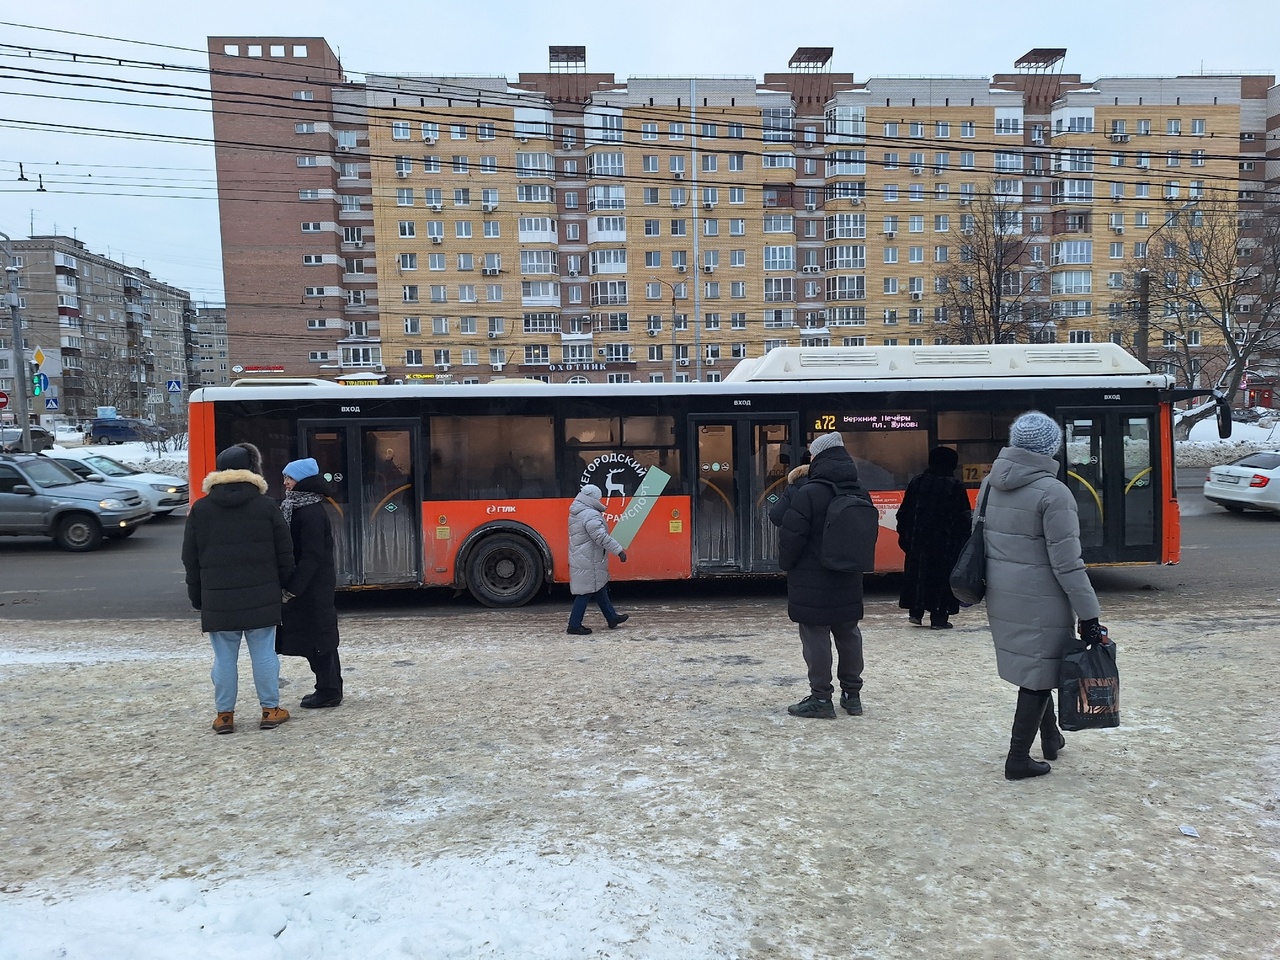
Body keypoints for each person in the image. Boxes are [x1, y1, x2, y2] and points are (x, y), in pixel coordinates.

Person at [981, 411, 1107, 780]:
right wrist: (1090, 615)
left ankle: (1051, 738)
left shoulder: (990, 484)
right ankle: (1017, 758)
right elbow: (1068, 564)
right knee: (1037, 675)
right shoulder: (1054, 493)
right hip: (1042, 599)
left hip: (1002, 594)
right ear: (1051, 448)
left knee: (1040, 666)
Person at [182, 442, 295, 735]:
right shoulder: (267, 506)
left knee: (224, 658)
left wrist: (198, 596)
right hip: (262, 596)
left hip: (218, 599)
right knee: (264, 654)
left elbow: (190, 558)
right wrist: (285, 586)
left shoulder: (201, 509)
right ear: (251, 471)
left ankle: (224, 716)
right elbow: (285, 553)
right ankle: (270, 710)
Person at [768, 431, 871, 719]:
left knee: (816, 636)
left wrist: (788, 565)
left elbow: (791, 534)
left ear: (819, 457)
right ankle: (853, 696)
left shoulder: (808, 492)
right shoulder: (859, 490)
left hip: (812, 578)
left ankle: (821, 699)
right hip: (849, 575)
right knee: (848, 632)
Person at [277, 457, 344, 709]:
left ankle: (328, 691)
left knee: (319, 639)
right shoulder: (301, 506)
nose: (285, 482)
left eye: (290, 478)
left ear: (303, 480)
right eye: (285, 477)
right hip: (312, 586)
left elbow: (311, 556)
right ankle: (329, 688)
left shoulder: (310, 511)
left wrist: (293, 588)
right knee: (319, 637)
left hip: (312, 588)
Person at [897, 446, 972, 629]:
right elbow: (963, 519)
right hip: (944, 547)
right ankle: (939, 618)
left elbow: (904, 513)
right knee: (940, 582)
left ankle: (916, 612)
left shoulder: (917, 482)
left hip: (918, 544)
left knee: (917, 576)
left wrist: (907, 538)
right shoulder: (955, 486)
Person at [566, 483, 629, 635]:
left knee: (599, 587)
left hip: (584, 556)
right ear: (593, 498)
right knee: (585, 592)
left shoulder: (578, 510)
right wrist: (619, 550)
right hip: (589, 558)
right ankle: (574, 625)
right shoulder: (590, 514)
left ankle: (611, 617)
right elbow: (600, 537)